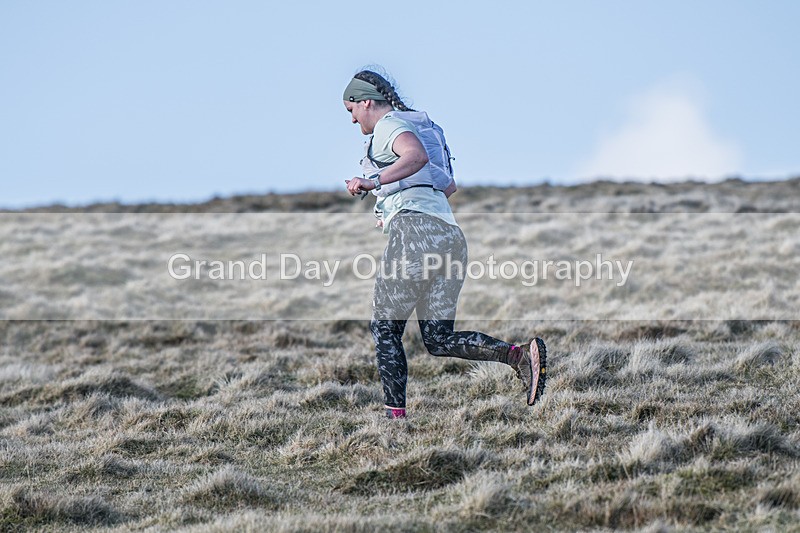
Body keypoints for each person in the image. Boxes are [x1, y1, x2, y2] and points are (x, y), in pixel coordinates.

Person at [342, 69, 546, 419]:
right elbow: (444, 186)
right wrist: (390, 202)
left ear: (365, 101)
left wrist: (373, 180)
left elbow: (415, 156)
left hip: (415, 234)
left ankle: (395, 421)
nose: (352, 119)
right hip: (449, 237)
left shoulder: (388, 126)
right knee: (436, 339)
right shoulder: (419, 126)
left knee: (385, 327)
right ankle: (518, 356)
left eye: (351, 110)